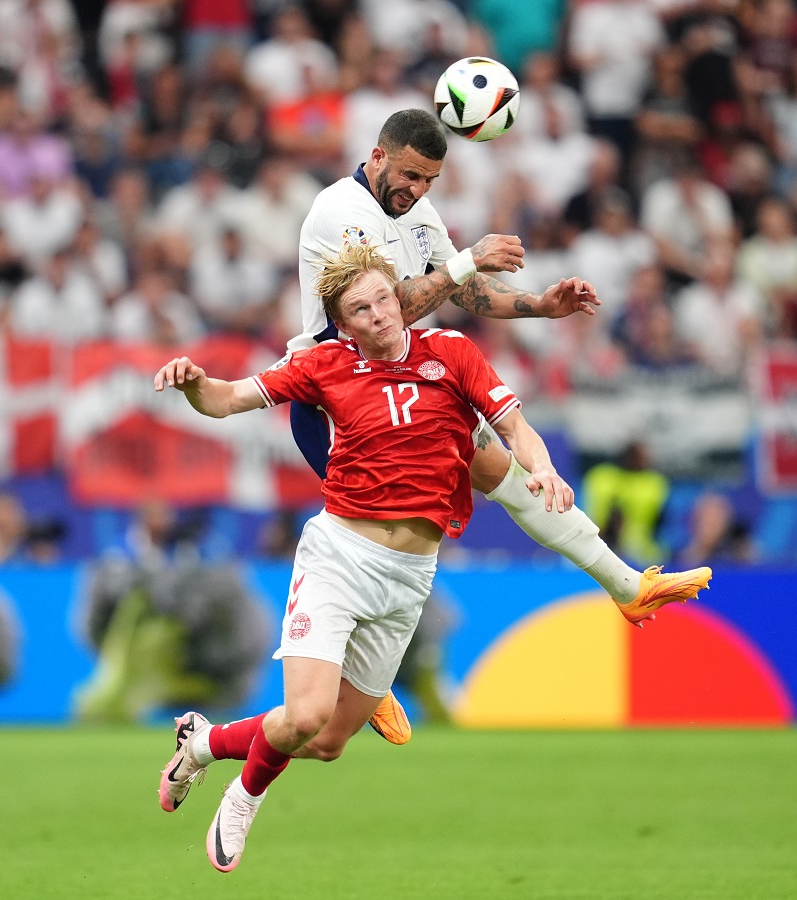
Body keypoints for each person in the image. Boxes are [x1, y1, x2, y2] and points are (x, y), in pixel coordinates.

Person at [151, 245, 712, 873]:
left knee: (331, 741)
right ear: (343, 321)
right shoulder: (322, 364)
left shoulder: (452, 353)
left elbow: (514, 428)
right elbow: (227, 399)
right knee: (305, 715)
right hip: (339, 556)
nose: (378, 316)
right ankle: (244, 794)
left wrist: (546, 469)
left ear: (399, 297)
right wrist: (195, 383)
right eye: (359, 310)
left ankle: (201, 743)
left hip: (409, 577)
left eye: (384, 299)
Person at [291, 108, 688, 745]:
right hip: (340, 398)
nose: (418, 190)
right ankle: (360, 685)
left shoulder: (419, 219)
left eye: (430, 180)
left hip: (406, 389)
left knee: (497, 471)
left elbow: (466, 295)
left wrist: (539, 306)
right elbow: (383, 315)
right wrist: (467, 261)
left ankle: (625, 582)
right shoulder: (340, 213)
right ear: (377, 156)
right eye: (411, 175)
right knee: (376, 543)